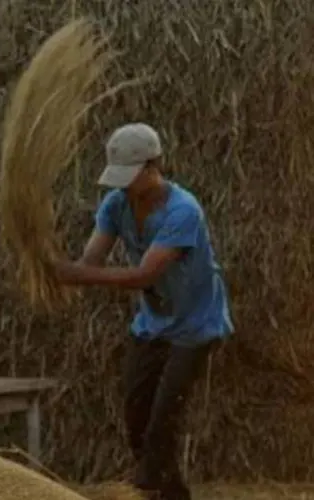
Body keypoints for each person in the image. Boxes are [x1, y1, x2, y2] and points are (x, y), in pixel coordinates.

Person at [56, 123, 233, 500]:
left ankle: (151, 490)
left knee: (163, 421)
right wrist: (55, 269)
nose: (123, 186)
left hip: (195, 325)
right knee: (137, 417)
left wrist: (78, 275)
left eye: (130, 176)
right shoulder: (116, 204)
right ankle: (168, 492)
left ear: (154, 167)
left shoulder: (183, 211)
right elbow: (91, 259)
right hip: (153, 323)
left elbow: (143, 275)